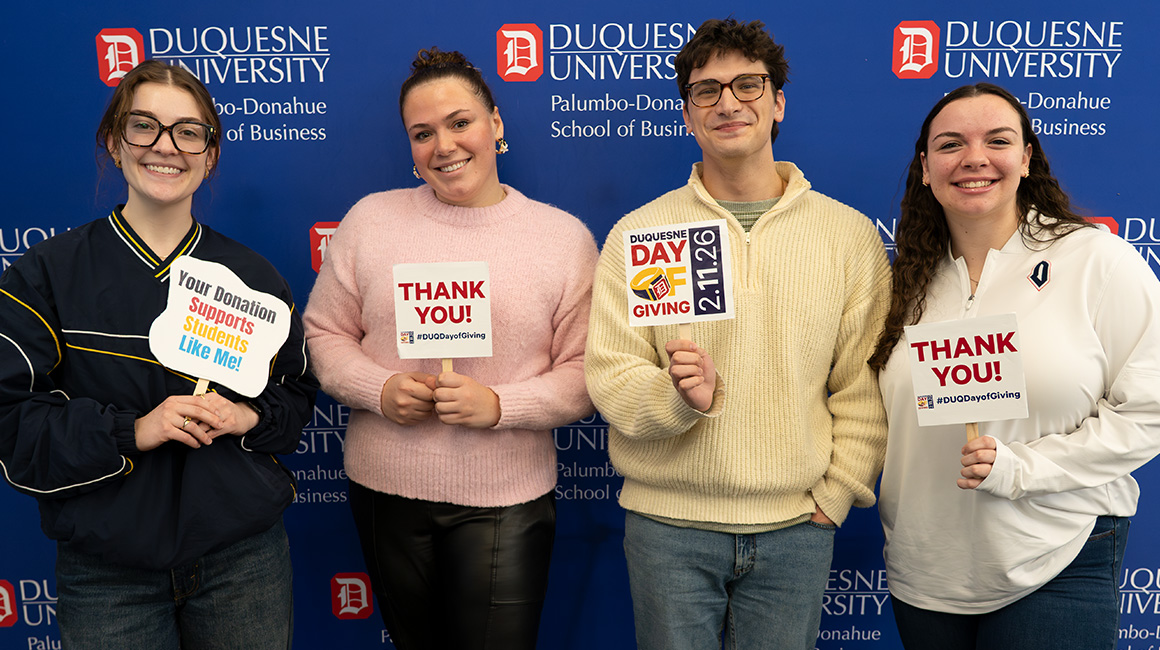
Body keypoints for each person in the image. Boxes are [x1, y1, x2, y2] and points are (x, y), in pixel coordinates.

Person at [584, 18, 891, 650]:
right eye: (706, 91)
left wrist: (836, 495)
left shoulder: (847, 235)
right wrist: (678, 397)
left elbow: (863, 384)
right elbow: (612, 375)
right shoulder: (641, 233)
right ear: (687, 115)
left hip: (796, 528)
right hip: (668, 527)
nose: (727, 103)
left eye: (748, 85)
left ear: (778, 103)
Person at [0, 60, 317, 649]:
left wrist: (246, 416)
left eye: (188, 132)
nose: (166, 146)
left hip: (243, 564)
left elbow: (295, 397)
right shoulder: (46, 274)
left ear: (210, 154)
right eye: (144, 125)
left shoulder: (254, 278)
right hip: (106, 575)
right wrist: (133, 430)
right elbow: (10, 419)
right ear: (113, 140)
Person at [303, 47, 597, 649]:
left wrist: (500, 405)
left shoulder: (563, 238)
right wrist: (380, 389)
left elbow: (585, 372)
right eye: (423, 133)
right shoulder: (370, 221)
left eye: (460, 122)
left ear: (496, 123)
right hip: (385, 490)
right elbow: (324, 333)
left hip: (508, 499)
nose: (444, 146)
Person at [870, 82, 1160, 649]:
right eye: (951, 144)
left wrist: (1021, 468)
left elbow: (1150, 410)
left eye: (997, 141)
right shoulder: (900, 283)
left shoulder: (1095, 260)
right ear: (925, 168)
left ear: (1026, 159)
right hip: (925, 574)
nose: (974, 158)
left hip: (1055, 557)